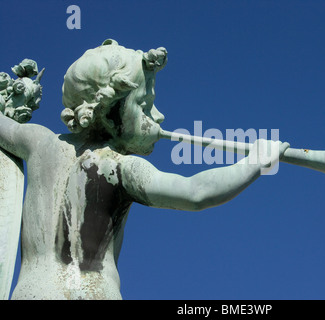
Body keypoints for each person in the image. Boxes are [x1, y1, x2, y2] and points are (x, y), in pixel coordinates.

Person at [0, 40, 289, 299]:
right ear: (110, 113)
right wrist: (256, 161)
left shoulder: (38, 142)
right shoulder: (120, 166)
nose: (159, 116)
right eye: (146, 105)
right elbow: (196, 192)